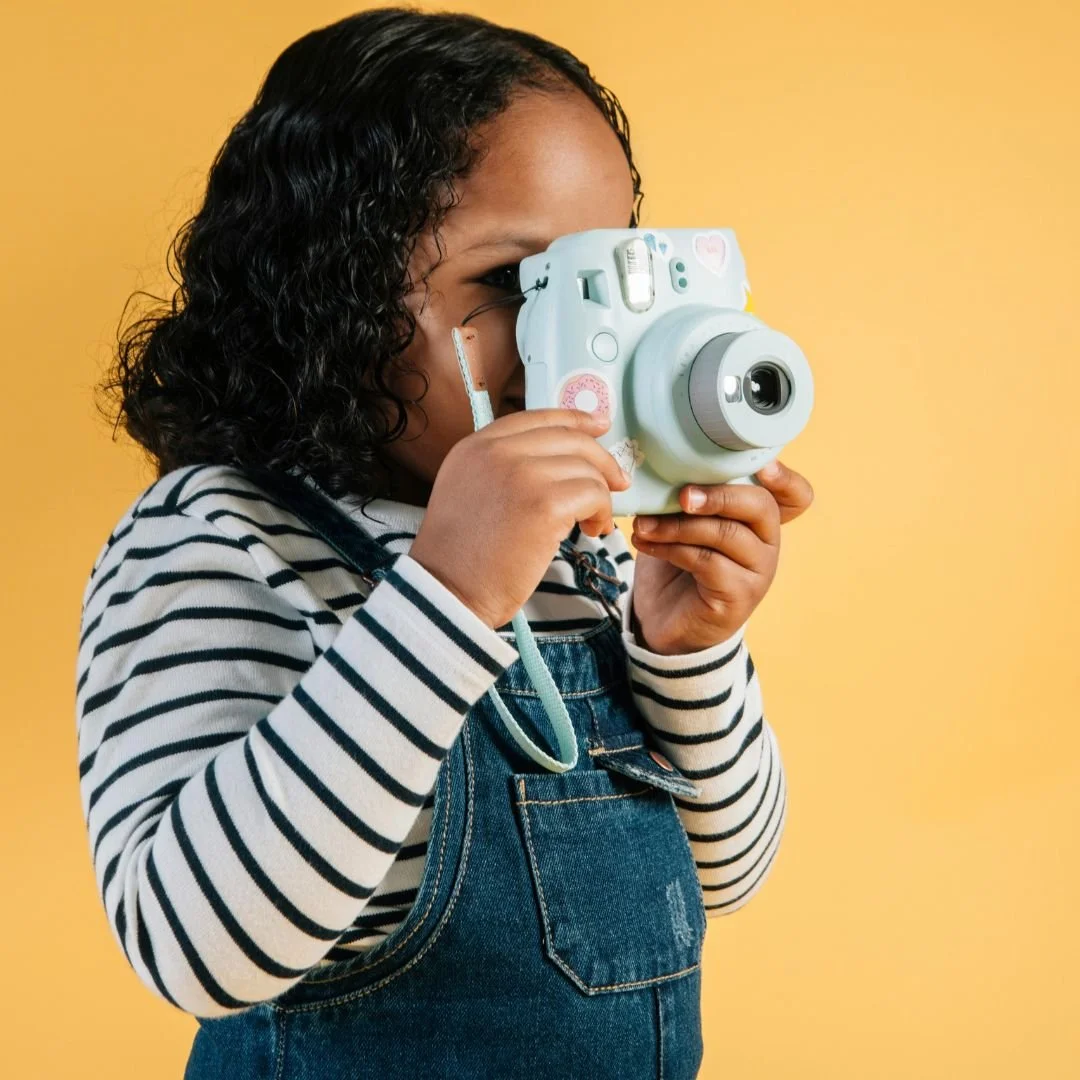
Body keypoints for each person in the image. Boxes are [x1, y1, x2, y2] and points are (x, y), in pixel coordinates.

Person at [77, 7, 813, 1078]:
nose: (579, 336)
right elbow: (195, 948)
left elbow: (724, 876)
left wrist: (684, 652)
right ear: (331, 290)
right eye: (517, 284)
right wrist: (449, 595)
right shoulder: (218, 539)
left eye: (604, 273)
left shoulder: (586, 555)